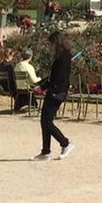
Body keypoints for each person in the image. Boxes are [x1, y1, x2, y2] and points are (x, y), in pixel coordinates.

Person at [36, 30, 74, 161]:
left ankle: (66, 143)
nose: (50, 47)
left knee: (46, 121)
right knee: (44, 121)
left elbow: (58, 77)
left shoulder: (63, 57)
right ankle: (45, 151)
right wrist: (40, 85)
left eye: (51, 44)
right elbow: (53, 75)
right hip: (54, 90)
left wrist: (43, 87)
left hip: (57, 91)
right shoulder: (62, 56)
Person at [13, 49, 41, 114]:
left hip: (19, 88)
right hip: (28, 88)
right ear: (30, 57)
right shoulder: (29, 67)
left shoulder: (17, 66)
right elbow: (34, 80)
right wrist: (40, 78)